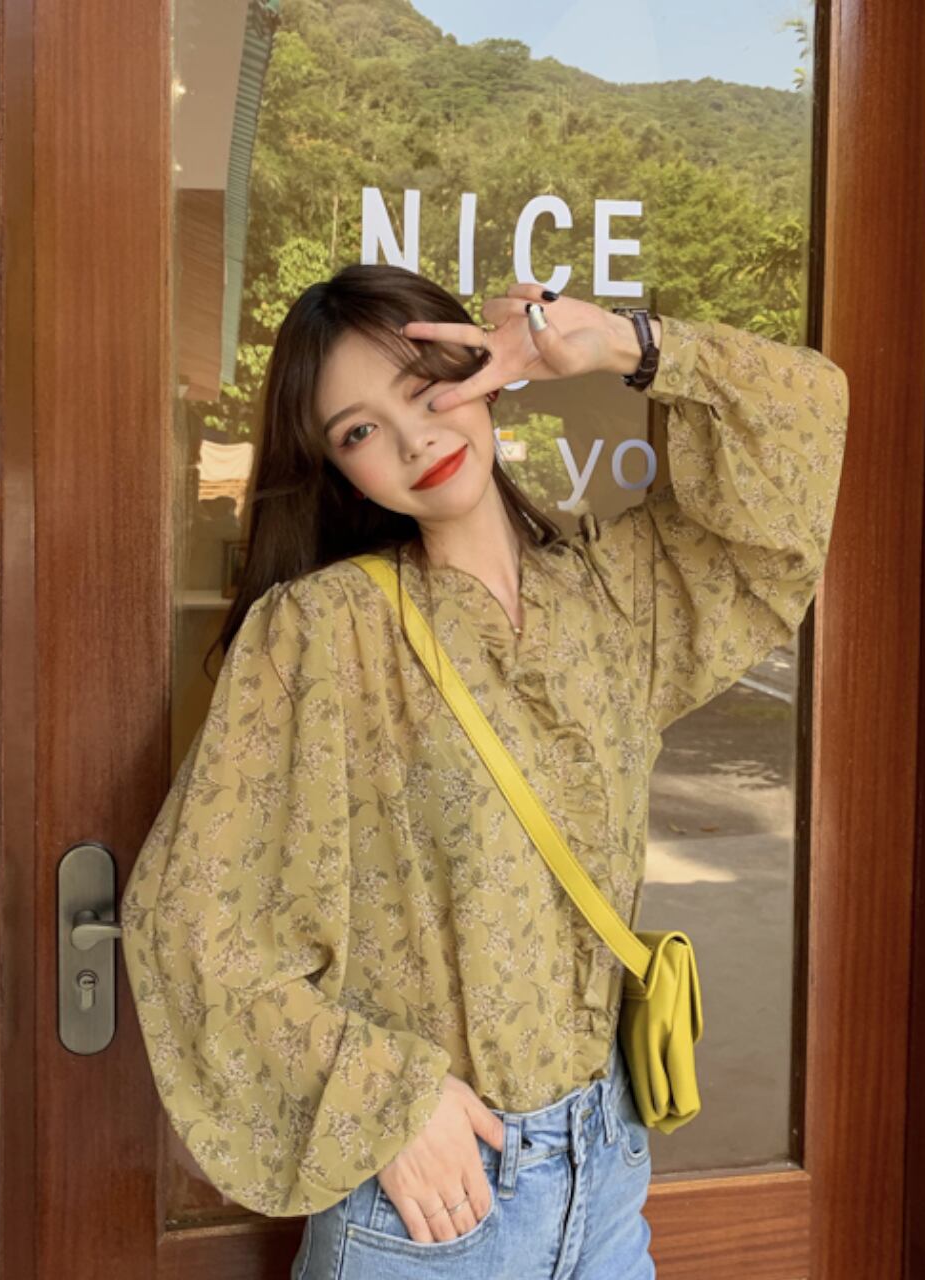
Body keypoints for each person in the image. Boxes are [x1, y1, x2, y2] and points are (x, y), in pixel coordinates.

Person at [119, 263, 849, 1278]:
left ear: (483, 375)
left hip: (607, 1173)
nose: (415, 439)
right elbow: (189, 920)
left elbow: (801, 429)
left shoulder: (612, 597)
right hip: (430, 1212)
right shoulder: (323, 632)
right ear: (340, 471)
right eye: (360, 430)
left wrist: (618, 345)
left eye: (426, 388)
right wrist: (386, 1098)